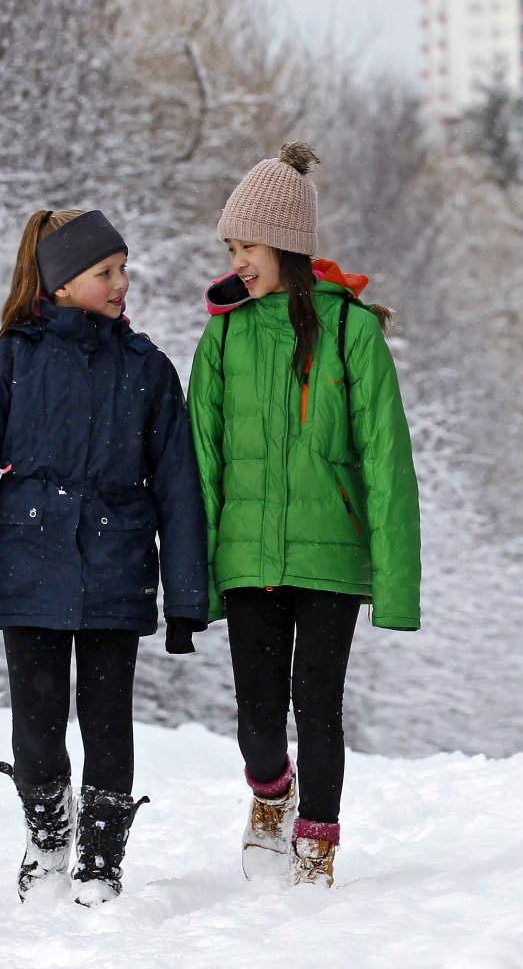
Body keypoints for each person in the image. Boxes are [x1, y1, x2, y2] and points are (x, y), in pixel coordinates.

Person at [0, 208, 209, 905]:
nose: (122, 283)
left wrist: (187, 598)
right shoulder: (11, 361)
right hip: (31, 563)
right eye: (105, 272)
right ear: (60, 285)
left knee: (108, 721)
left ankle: (101, 860)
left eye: (123, 269)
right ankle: (48, 839)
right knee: (38, 725)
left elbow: (179, 489)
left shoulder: (148, 370)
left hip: (117, 569)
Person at [189, 142, 421, 889]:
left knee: (317, 705)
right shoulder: (223, 333)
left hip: (330, 557)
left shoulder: (353, 334)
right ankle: (270, 794)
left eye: (247, 245)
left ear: (286, 245)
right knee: (257, 716)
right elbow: (202, 459)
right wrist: (193, 574)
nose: (237, 260)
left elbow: (387, 465)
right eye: (230, 246)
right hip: (249, 556)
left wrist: (396, 585)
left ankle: (317, 846)